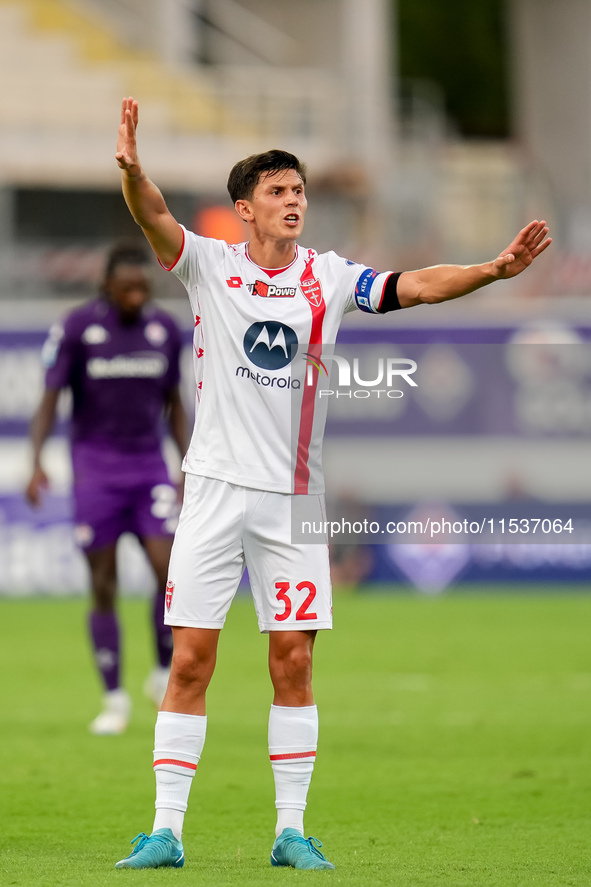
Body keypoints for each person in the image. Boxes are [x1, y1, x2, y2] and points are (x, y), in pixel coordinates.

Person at [112, 96, 551, 871]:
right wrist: (135, 171)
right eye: (278, 192)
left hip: (292, 500)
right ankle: (165, 831)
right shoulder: (210, 265)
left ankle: (291, 830)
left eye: (299, 192)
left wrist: (490, 269)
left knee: (294, 659)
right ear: (245, 209)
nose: (294, 202)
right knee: (189, 659)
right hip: (213, 491)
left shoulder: (329, 277)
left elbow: (413, 286)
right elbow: (154, 220)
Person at [26, 240, 188, 735]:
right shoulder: (77, 328)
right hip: (95, 470)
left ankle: (162, 672)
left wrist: (189, 462)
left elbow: (175, 403)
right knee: (103, 584)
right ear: (107, 287)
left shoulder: (165, 331)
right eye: (128, 288)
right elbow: (50, 397)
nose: (138, 295)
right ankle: (114, 698)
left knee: (169, 571)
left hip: (147, 468)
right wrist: (36, 461)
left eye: (144, 286)